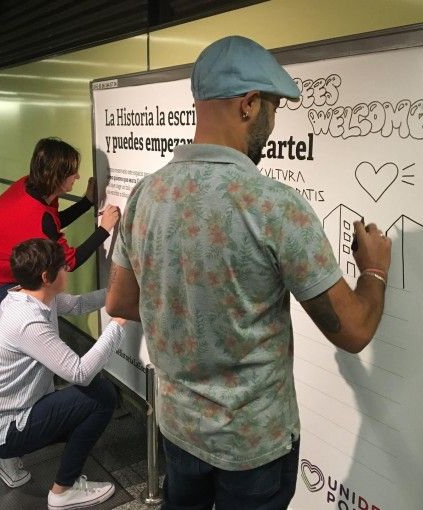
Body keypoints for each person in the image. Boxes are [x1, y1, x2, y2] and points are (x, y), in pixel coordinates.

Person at [105, 36, 392, 510]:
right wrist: (374, 269)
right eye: (273, 109)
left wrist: (189, 315)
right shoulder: (274, 206)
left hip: (178, 429)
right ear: (249, 104)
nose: (273, 125)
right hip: (252, 446)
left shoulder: (146, 195)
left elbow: (118, 301)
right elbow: (355, 330)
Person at [0, 238, 126, 510]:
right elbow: (80, 373)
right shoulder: (27, 320)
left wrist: (121, 291)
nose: (67, 270)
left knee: (83, 399)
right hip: (2, 429)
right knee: (101, 396)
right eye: (63, 267)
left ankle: (3, 458)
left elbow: (77, 304)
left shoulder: (27, 296)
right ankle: (63, 491)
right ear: (45, 277)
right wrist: (119, 322)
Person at [0, 137, 121, 316]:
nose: (77, 176)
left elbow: (50, 224)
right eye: (73, 172)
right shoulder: (35, 213)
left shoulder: (31, 186)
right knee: (23, 325)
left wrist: (86, 202)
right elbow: (70, 262)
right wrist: (104, 230)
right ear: (58, 175)